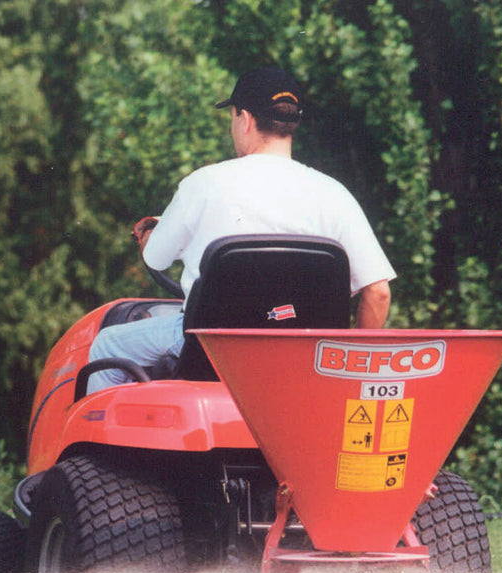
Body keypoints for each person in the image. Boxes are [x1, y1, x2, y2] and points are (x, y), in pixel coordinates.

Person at [87, 67, 396, 393]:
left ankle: (99, 441)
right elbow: (378, 292)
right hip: (304, 366)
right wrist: (350, 368)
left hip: (209, 354)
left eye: (233, 117)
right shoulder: (334, 194)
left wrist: (151, 233)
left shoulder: (203, 184)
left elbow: (157, 258)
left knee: (107, 345)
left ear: (245, 119)